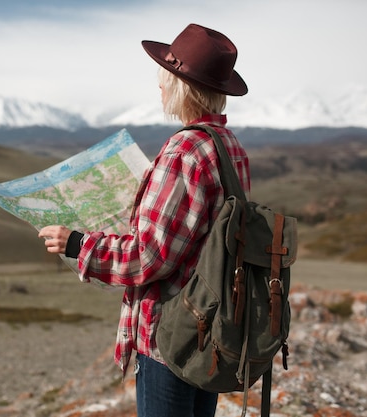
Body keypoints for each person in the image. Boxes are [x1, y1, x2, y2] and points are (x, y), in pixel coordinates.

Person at [38, 23, 251, 417]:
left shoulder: (184, 151)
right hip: (210, 325)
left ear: (182, 85)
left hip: (170, 334)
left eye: (165, 77)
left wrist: (77, 244)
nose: (159, 86)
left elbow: (150, 256)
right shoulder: (228, 146)